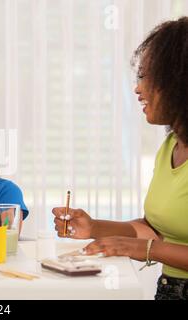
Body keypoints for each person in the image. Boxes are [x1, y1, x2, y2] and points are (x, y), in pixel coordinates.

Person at [52, 17, 188, 300]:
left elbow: (152, 244)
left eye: (146, 76)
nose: (138, 89)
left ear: (178, 79)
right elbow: (157, 231)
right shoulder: (170, 146)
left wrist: (145, 250)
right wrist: (95, 228)